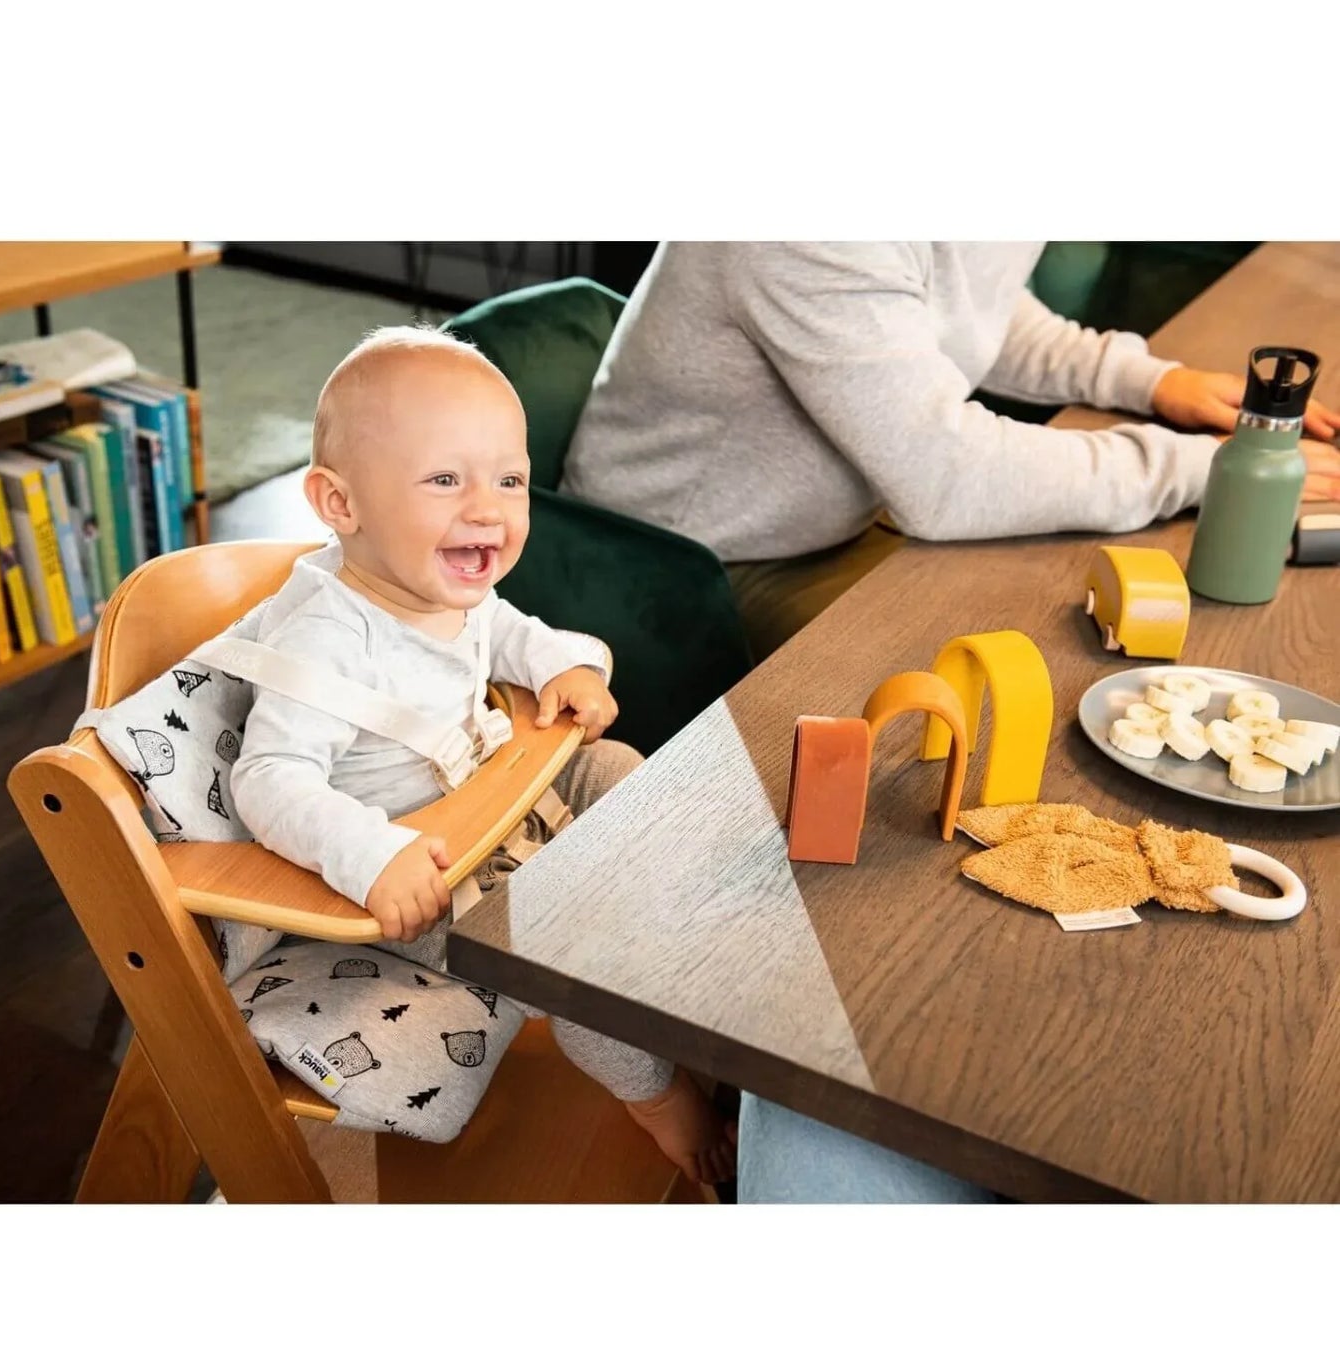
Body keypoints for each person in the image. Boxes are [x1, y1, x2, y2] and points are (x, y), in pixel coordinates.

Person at [229, 327, 736, 1184]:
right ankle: (652, 1093)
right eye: (444, 480)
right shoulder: (328, 638)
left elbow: (504, 629)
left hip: (488, 803)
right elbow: (268, 778)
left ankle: (680, 941)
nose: (488, 509)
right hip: (417, 874)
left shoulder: (432, 582)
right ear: (340, 504)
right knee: (569, 944)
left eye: (509, 480)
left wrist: (561, 666)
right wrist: (371, 856)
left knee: (621, 768)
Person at [565, 242, 1340, 663]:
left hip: (850, 503)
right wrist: (1199, 468)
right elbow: (947, 480)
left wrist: (1144, 379)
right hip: (680, 561)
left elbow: (964, 308)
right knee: (1021, 654)